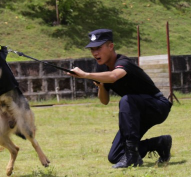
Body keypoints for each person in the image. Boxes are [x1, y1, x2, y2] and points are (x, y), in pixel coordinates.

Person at [68, 29, 172, 168]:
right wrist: (100, 86)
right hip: (135, 113)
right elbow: (104, 101)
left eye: (98, 48)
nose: (95, 53)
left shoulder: (124, 62)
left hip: (157, 106)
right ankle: (159, 143)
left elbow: (114, 76)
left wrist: (86, 74)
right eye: (92, 49)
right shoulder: (102, 69)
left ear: (111, 47)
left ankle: (132, 158)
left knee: (127, 100)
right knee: (115, 156)